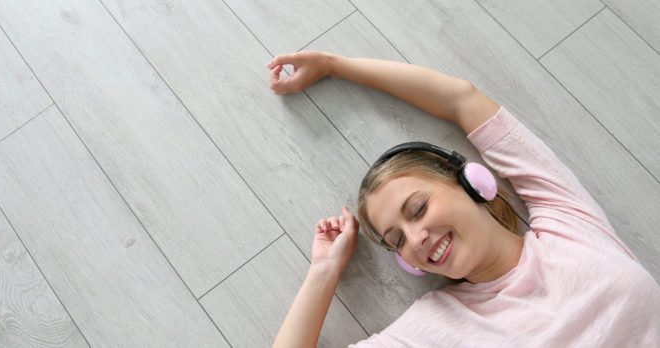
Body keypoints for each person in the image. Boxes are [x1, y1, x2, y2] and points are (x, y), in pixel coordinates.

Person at [267, 51, 660, 347]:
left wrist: (335, 65)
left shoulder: (567, 217)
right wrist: (323, 272)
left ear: (472, 183)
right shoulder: (440, 324)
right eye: (398, 240)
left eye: (418, 209)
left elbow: (461, 99)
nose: (416, 238)